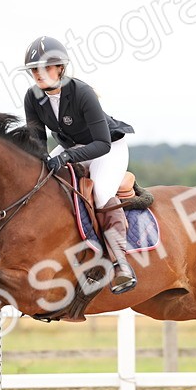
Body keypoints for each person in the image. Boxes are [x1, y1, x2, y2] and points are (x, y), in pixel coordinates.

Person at [20, 35, 138, 295]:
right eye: (33, 70)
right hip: (73, 148)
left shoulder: (81, 93)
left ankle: (121, 264)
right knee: (43, 183)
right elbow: (37, 143)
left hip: (107, 147)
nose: (38, 74)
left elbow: (102, 144)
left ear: (60, 68)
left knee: (100, 194)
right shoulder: (32, 98)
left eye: (45, 67)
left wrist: (65, 157)